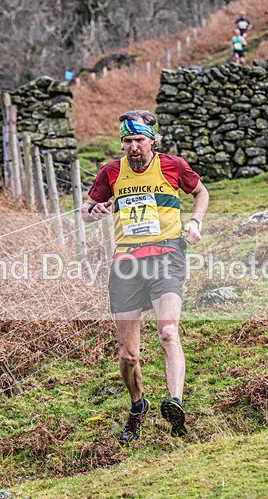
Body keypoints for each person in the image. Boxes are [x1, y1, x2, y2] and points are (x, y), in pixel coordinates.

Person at [82, 110, 209, 443]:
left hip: (167, 255)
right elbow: (86, 210)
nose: (133, 147)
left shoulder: (173, 166)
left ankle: (175, 402)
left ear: (152, 141)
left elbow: (201, 192)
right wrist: (94, 210)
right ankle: (138, 405)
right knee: (128, 355)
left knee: (168, 331)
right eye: (127, 141)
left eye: (139, 140)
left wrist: (195, 222)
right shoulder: (111, 172)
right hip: (126, 263)